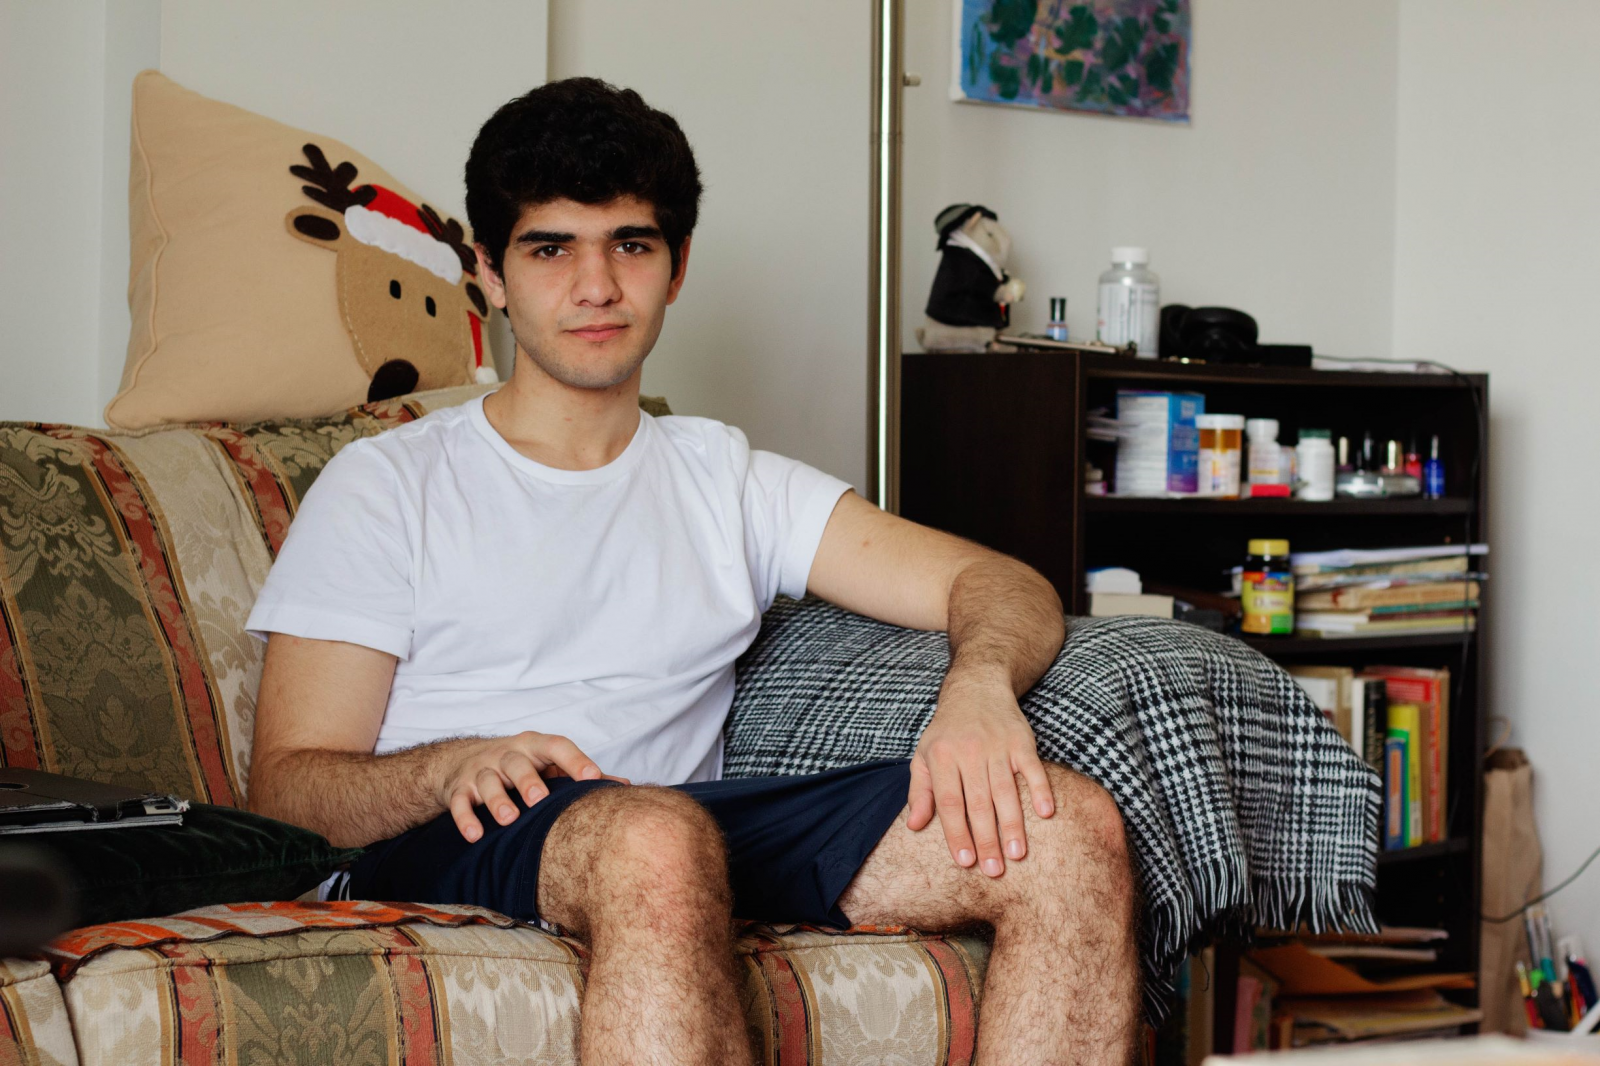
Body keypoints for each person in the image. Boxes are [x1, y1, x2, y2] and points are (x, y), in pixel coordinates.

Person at [245, 77, 1138, 1065]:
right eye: (551, 249)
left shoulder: (725, 478)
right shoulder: (386, 485)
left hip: (679, 832)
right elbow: (289, 790)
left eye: (631, 244)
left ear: (675, 270)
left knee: (1070, 831)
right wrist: (453, 763)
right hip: (448, 837)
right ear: (491, 274)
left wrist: (975, 687)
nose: (596, 286)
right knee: (652, 841)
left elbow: (1000, 582)